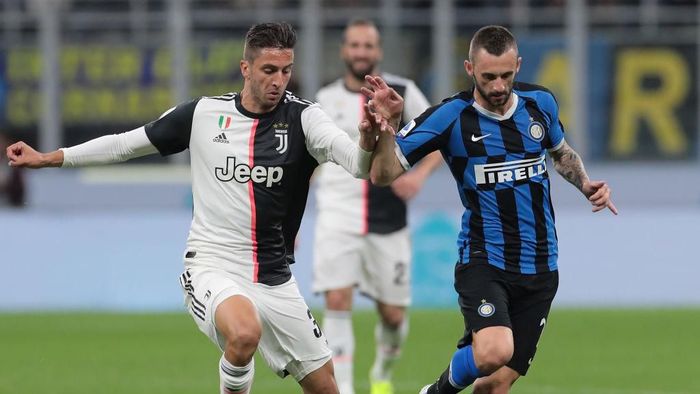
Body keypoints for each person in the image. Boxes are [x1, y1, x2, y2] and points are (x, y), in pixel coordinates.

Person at [6, 22, 383, 394]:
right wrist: (51, 157)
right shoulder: (203, 115)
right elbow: (124, 144)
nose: (278, 81)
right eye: (269, 70)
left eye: (286, 71)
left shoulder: (305, 118)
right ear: (245, 68)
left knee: (325, 387)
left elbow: (359, 165)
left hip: (274, 275)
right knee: (244, 332)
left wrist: (368, 138)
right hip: (211, 264)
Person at [362, 25, 617, 394]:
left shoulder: (540, 103)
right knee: (496, 349)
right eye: (488, 77)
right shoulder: (450, 117)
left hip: (542, 265)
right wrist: (387, 129)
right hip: (485, 259)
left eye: (506, 75)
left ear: (518, 65)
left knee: (493, 385)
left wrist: (585, 184)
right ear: (469, 69)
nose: (498, 86)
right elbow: (381, 174)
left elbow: (560, 154)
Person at [312, 19, 441, 394]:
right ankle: (346, 389)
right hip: (337, 214)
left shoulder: (403, 92)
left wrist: (417, 176)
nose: (361, 53)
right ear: (344, 51)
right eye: (355, 45)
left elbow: (438, 136)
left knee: (393, 314)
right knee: (337, 297)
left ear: (378, 51)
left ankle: (382, 371)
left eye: (368, 46)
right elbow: (310, 163)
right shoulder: (324, 99)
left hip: (389, 220)